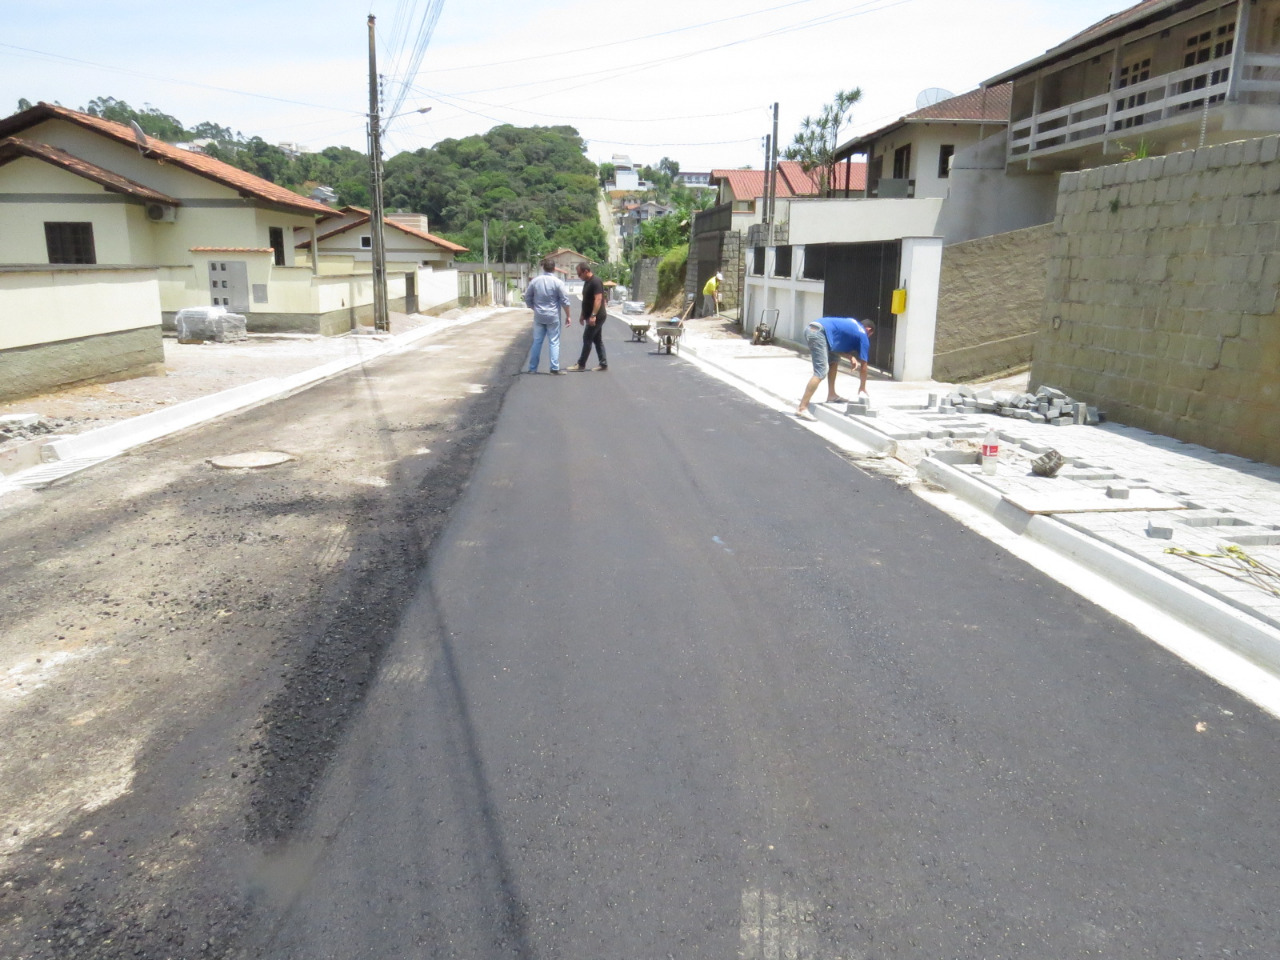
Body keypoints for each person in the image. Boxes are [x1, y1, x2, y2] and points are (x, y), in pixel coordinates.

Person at [795, 316, 875, 420]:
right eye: (870, 336)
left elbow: (834, 347)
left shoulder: (853, 324)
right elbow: (864, 365)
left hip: (816, 329)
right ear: (868, 330)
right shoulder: (863, 334)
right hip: (819, 333)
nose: (868, 338)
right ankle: (802, 407)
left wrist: (850, 357)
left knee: (834, 360)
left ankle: (831, 395)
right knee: (821, 371)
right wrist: (862, 387)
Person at [522, 257, 572, 373]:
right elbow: (565, 301)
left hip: (539, 315)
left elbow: (527, 297)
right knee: (554, 341)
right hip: (553, 316)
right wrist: (568, 316)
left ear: (543, 268)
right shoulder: (558, 282)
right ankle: (554, 367)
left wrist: (534, 307)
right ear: (554, 269)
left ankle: (532, 368)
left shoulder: (535, 281)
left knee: (537, 341)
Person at [570, 262, 609, 371]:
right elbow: (586, 300)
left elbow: (598, 299)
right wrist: (582, 314)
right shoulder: (587, 282)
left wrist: (593, 315)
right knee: (597, 340)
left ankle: (581, 364)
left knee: (587, 338)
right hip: (591, 315)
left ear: (586, 271)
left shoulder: (596, 281)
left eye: (579, 274)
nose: (579, 277)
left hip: (597, 316)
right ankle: (603, 364)